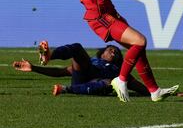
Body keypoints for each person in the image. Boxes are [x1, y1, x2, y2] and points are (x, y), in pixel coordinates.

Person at [12, 41, 150, 97]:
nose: (113, 53)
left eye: (116, 53)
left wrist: (154, 92)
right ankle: (49, 55)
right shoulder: (92, 62)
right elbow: (61, 72)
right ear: (102, 52)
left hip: (96, 85)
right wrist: (34, 68)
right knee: (77, 47)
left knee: (110, 83)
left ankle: (66, 89)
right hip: (82, 77)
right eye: (111, 50)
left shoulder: (119, 70)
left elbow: (138, 87)